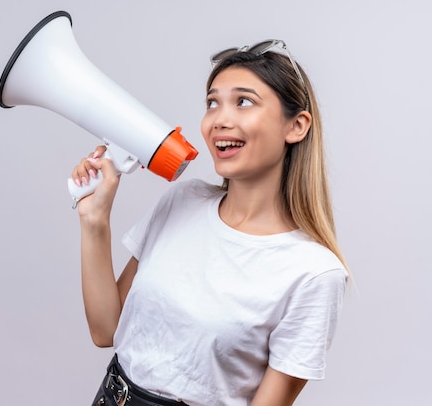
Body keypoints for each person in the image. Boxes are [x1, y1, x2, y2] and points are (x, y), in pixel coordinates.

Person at [71, 40, 349, 406]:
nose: (219, 119)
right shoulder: (182, 201)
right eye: (212, 103)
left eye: (244, 101)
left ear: (296, 126)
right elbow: (106, 329)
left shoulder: (314, 273)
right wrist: (95, 219)